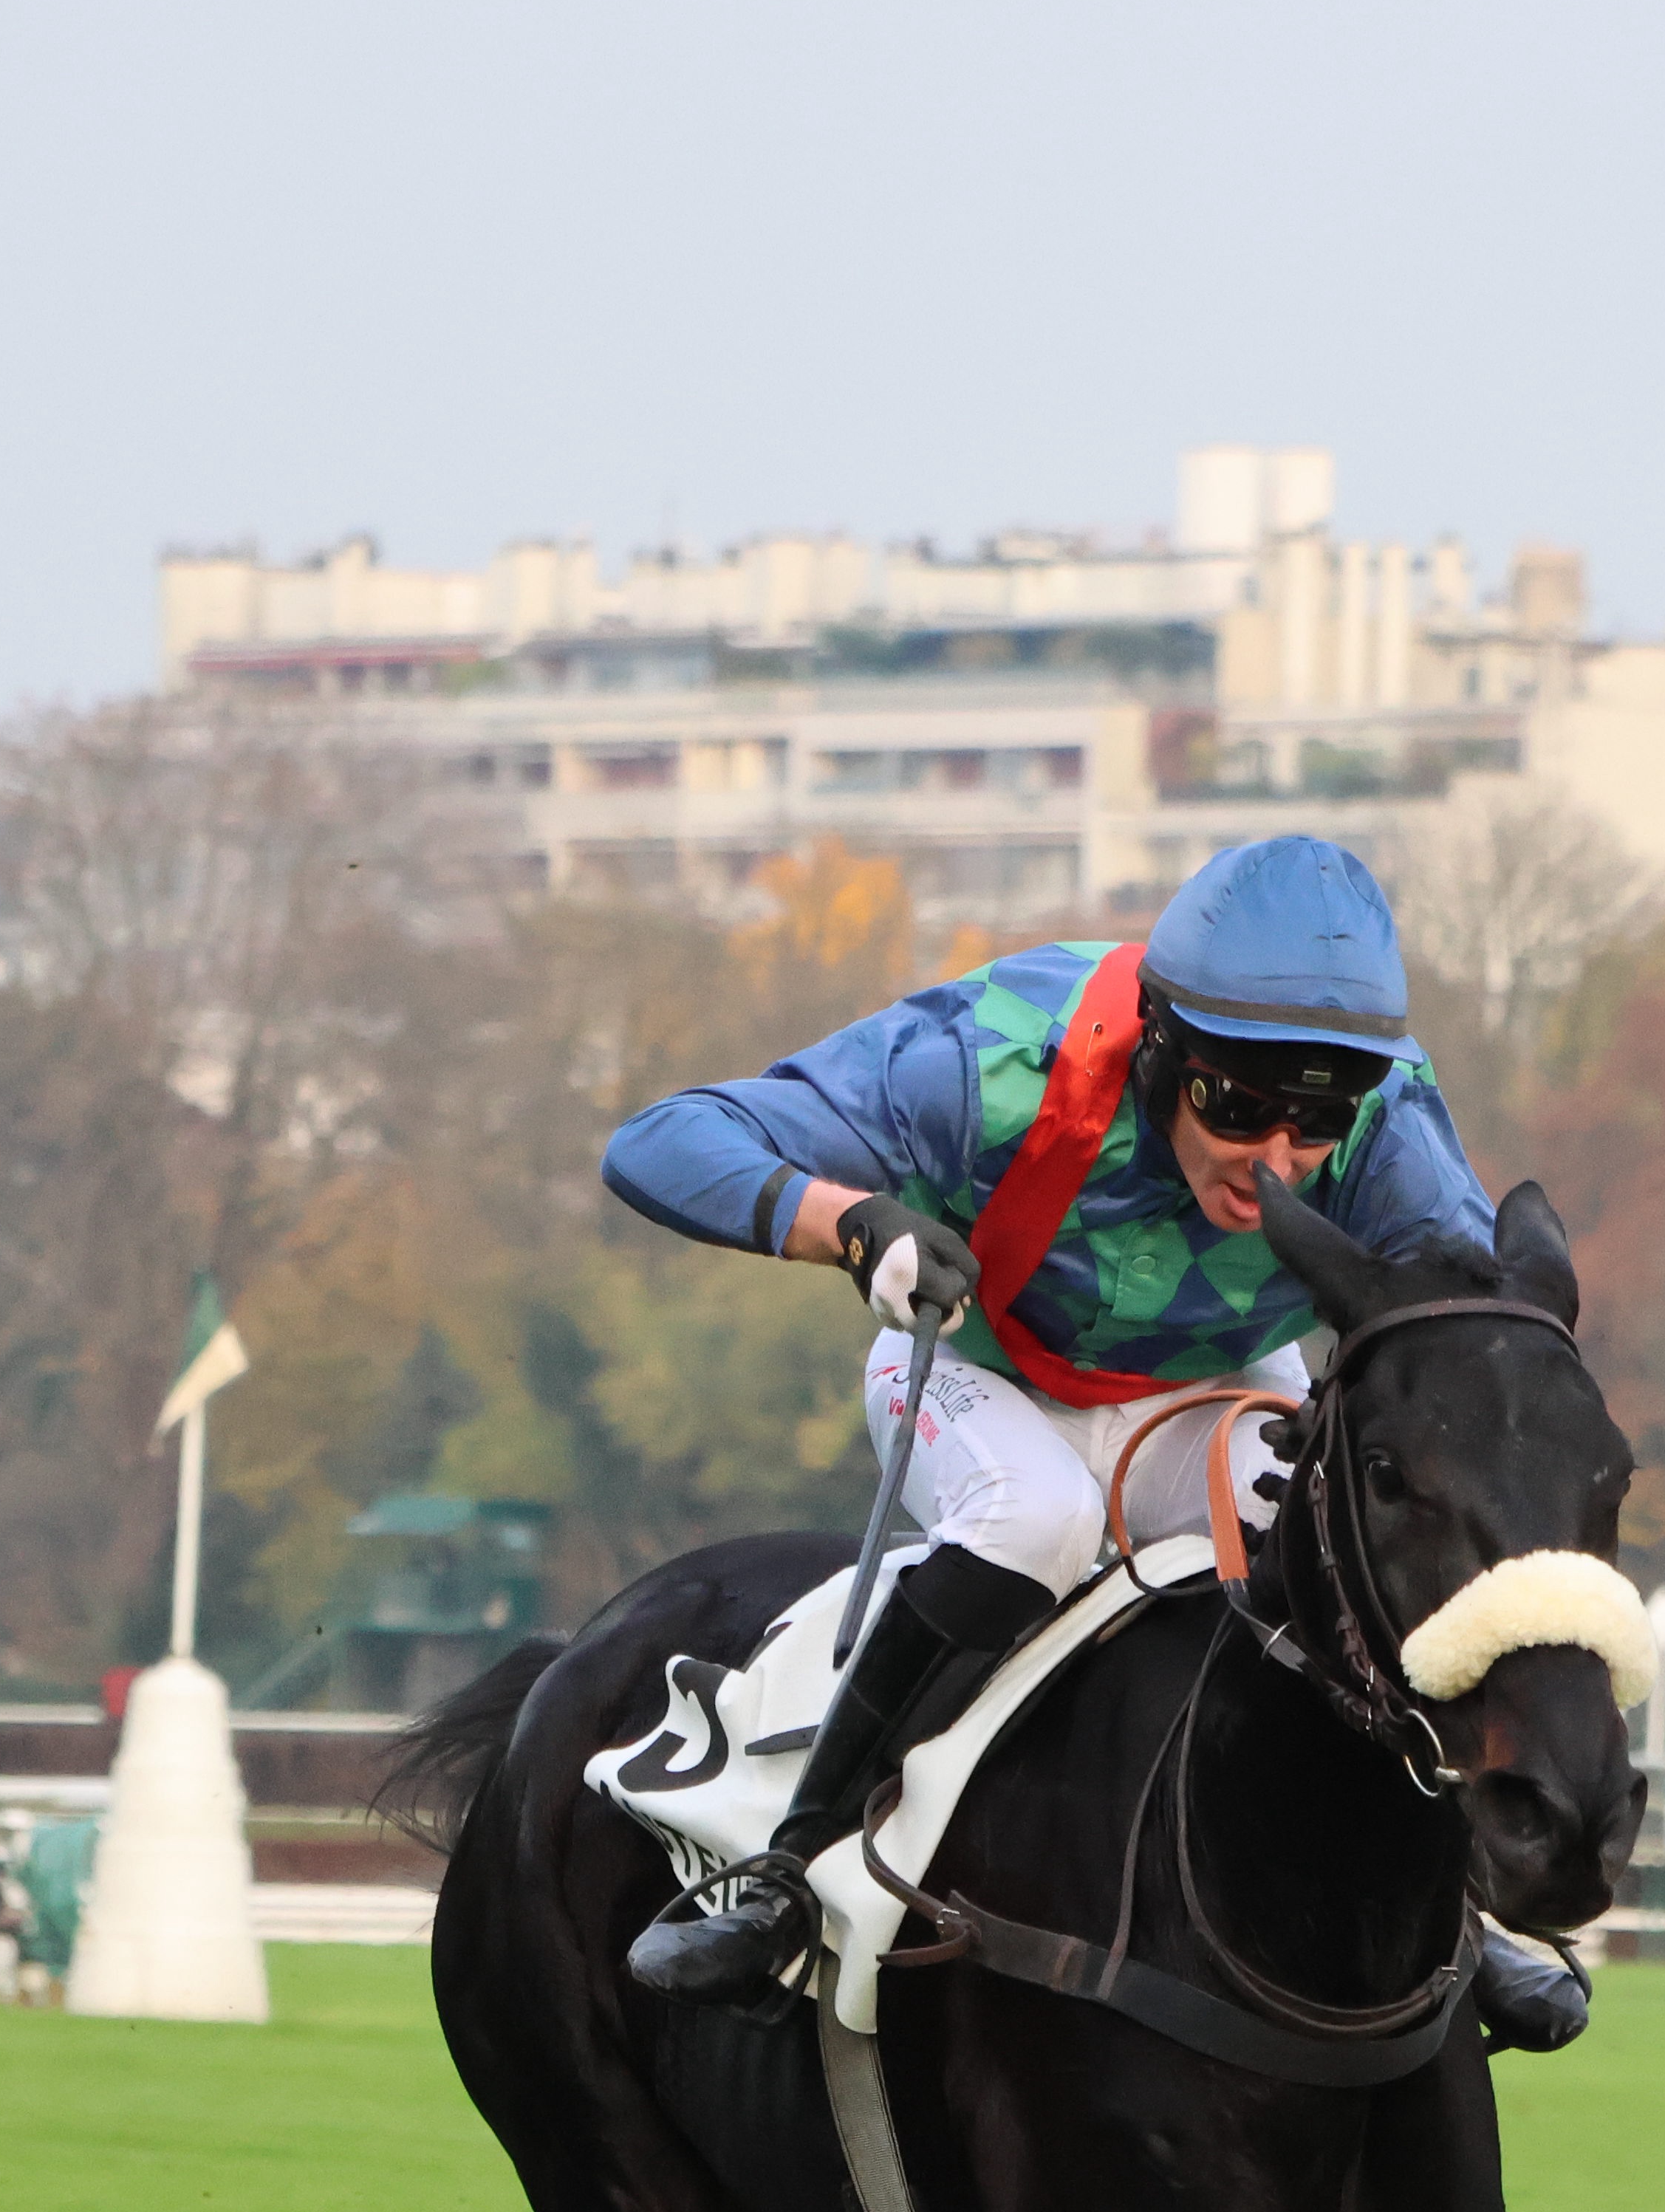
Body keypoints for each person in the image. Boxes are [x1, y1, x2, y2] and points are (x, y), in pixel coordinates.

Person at [595, 833, 1581, 2040]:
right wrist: (853, 1225)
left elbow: (1464, 1333)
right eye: (1237, 1105)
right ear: (1163, 1050)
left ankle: (1461, 1914)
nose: (1275, 1156)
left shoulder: (1388, 1118)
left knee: (1338, 1545)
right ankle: (783, 1873)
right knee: (1036, 1516)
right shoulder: (987, 1059)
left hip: (1202, 1388)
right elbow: (659, 1140)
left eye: (1314, 1117)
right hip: (970, 1364)